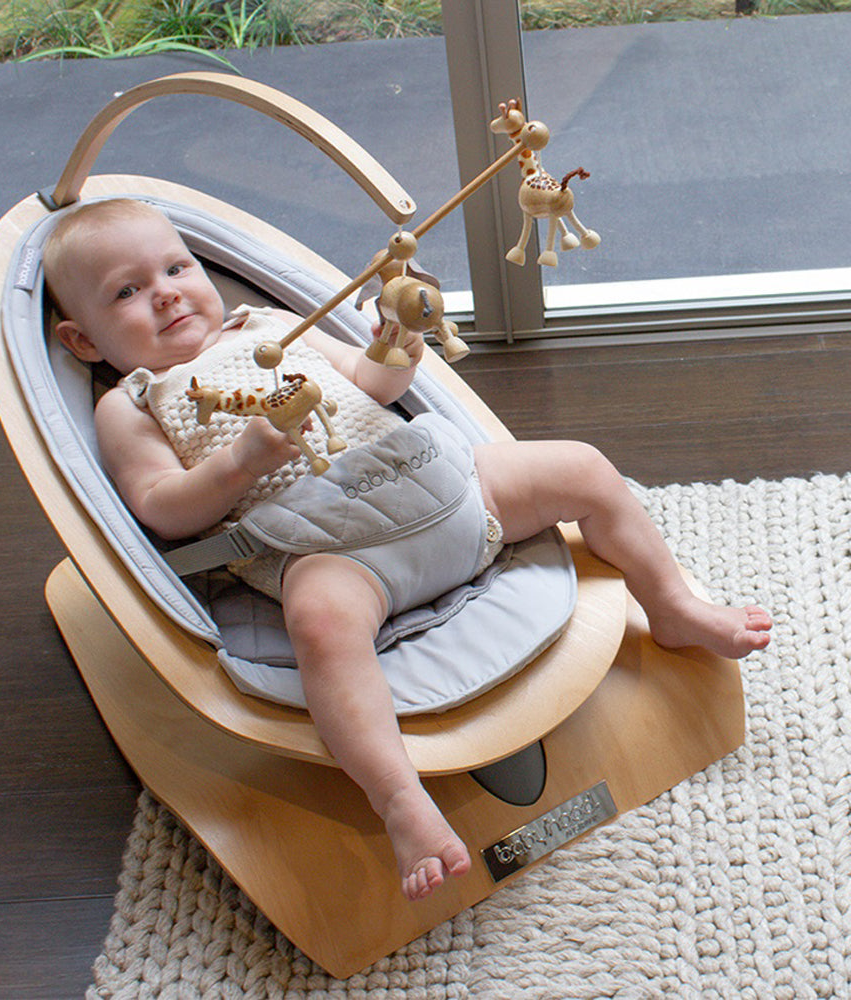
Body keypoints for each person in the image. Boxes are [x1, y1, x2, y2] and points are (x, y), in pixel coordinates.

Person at [43, 198, 772, 903]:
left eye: (176, 268)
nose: (166, 294)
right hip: (333, 549)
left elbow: (374, 383)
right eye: (127, 292)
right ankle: (399, 799)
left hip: (441, 487)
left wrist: (398, 339)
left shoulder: (273, 325)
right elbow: (160, 508)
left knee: (581, 467)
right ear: (83, 342)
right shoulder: (135, 401)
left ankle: (670, 605)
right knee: (321, 625)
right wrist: (240, 463)